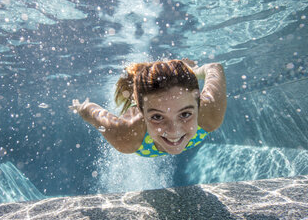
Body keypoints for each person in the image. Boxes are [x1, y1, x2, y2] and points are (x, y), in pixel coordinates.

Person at [69, 59, 227, 157]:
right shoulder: (126, 136)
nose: (174, 131)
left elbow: (213, 67)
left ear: (198, 105)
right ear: (141, 112)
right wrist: (81, 107)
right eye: (157, 117)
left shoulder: (210, 112)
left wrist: (194, 73)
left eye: (185, 114)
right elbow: (91, 112)